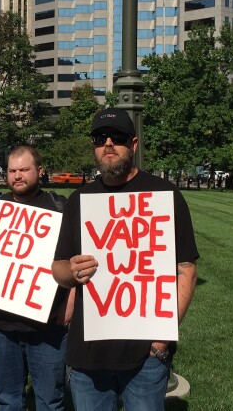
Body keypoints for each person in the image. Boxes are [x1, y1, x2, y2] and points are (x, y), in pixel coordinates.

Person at [52, 108, 199, 411]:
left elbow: (185, 268)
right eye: (99, 138)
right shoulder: (79, 201)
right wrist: (71, 270)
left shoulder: (165, 195)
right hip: (87, 355)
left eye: (116, 137)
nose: (107, 144)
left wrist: (161, 341)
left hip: (145, 357)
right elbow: (58, 268)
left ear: (133, 145)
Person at [0, 146, 73, 411]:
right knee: (8, 399)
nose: (17, 176)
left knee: (50, 400)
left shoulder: (60, 208)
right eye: (12, 171)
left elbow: (78, 259)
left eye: (24, 170)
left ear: (39, 171)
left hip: (49, 327)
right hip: (2, 325)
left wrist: (71, 302)